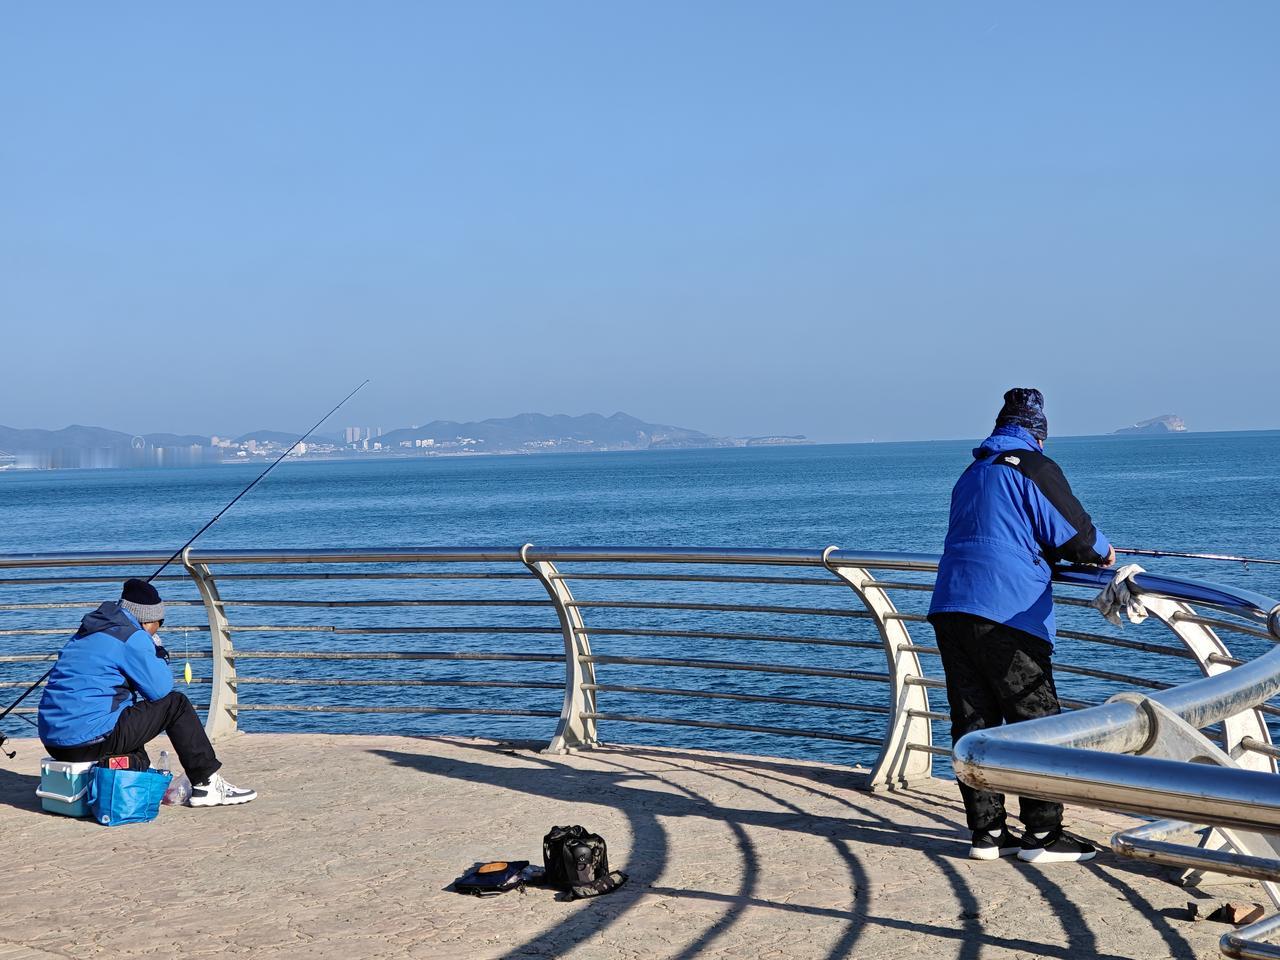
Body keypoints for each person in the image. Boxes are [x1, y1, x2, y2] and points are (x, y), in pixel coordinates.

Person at [928, 388, 1114, 864]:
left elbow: (1003, 531)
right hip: (1007, 609)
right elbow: (1078, 538)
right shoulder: (1033, 467)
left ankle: (987, 834)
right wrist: (1105, 555)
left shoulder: (974, 471)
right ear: (1039, 433)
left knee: (975, 722)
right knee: (1036, 723)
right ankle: (1043, 836)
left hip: (952, 604)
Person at [37, 578, 256, 807]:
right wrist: (156, 651)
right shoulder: (132, 636)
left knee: (121, 710)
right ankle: (207, 784)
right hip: (91, 742)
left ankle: (145, 776)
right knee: (176, 704)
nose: (159, 628)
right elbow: (160, 691)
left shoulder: (88, 631)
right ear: (149, 619)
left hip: (55, 742)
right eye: (159, 623)